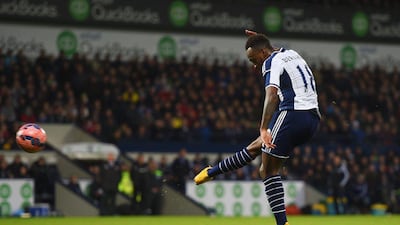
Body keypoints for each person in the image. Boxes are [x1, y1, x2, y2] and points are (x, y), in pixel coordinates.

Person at [194, 30, 320, 225]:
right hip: (312, 119)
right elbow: (269, 47)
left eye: (254, 60)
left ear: (263, 53)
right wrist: (261, 38)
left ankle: (282, 223)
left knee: (267, 170)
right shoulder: (292, 53)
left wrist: (263, 127)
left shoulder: (270, 61)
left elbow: (271, 95)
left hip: (292, 113)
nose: (255, 66)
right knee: (256, 147)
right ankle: (212, 172)